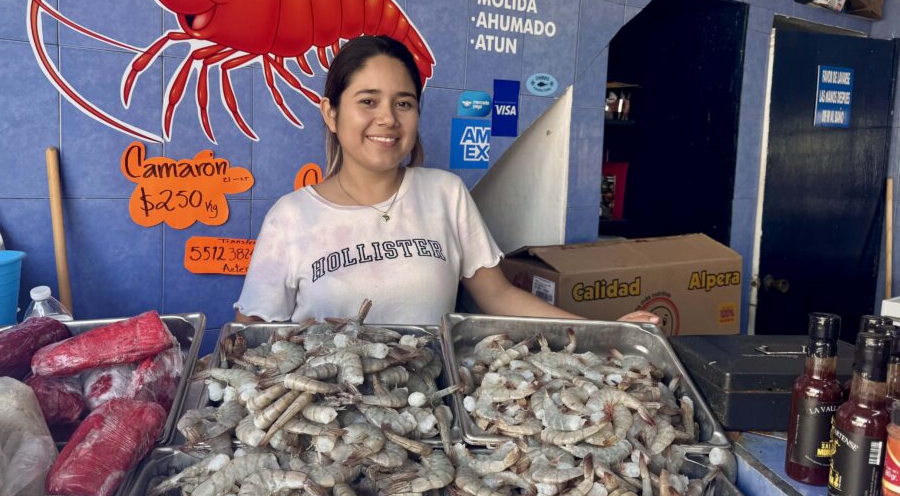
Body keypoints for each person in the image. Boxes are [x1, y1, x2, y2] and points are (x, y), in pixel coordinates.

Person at [235, 35, 659, 327]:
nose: (387, 118)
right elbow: (252, 333)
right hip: (329, 428)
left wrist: (603, 329)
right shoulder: (291, 218)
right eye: (368, 101)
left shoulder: (445, 194)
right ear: (331, 112)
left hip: (431, 418)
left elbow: (499, 297)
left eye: (404, 103)